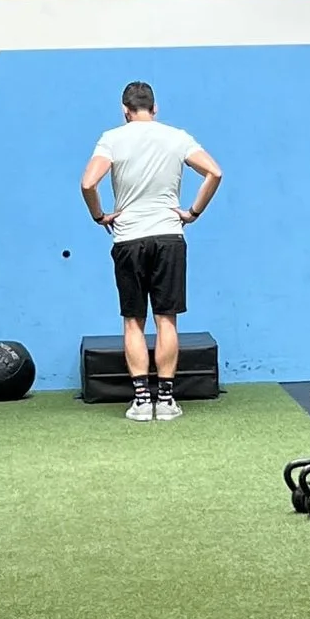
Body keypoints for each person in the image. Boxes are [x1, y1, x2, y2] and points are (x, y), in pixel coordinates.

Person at [80, 81, 221, 424]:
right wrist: (193, 213)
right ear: (154, 108)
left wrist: (100, 216)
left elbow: (88, 183)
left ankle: (142, 401)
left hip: (128, 239)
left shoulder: (112, 138)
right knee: (166, 319)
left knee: (133, 320)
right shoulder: (177, 137)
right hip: (169, 236)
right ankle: (167, 399)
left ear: (125, 111)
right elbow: (214, 172)